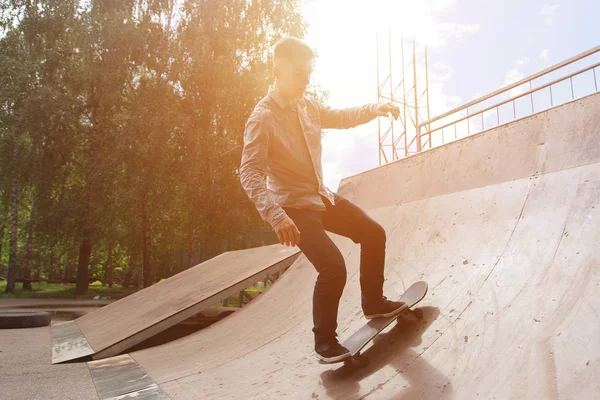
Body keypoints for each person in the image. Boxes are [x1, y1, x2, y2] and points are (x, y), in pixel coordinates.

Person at [240, 36, 405, 363]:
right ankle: (325, 343)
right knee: (333, 268)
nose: (306, 79)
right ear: (277, 70)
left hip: (320, 196)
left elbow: (341, 117)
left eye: (309, 72)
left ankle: (373, 301)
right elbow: (249, 172)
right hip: (292, 208)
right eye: (299, 73)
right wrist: (276, 216)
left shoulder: (308, 104)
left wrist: (376, 108)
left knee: (374, 234)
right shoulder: (263, 117)